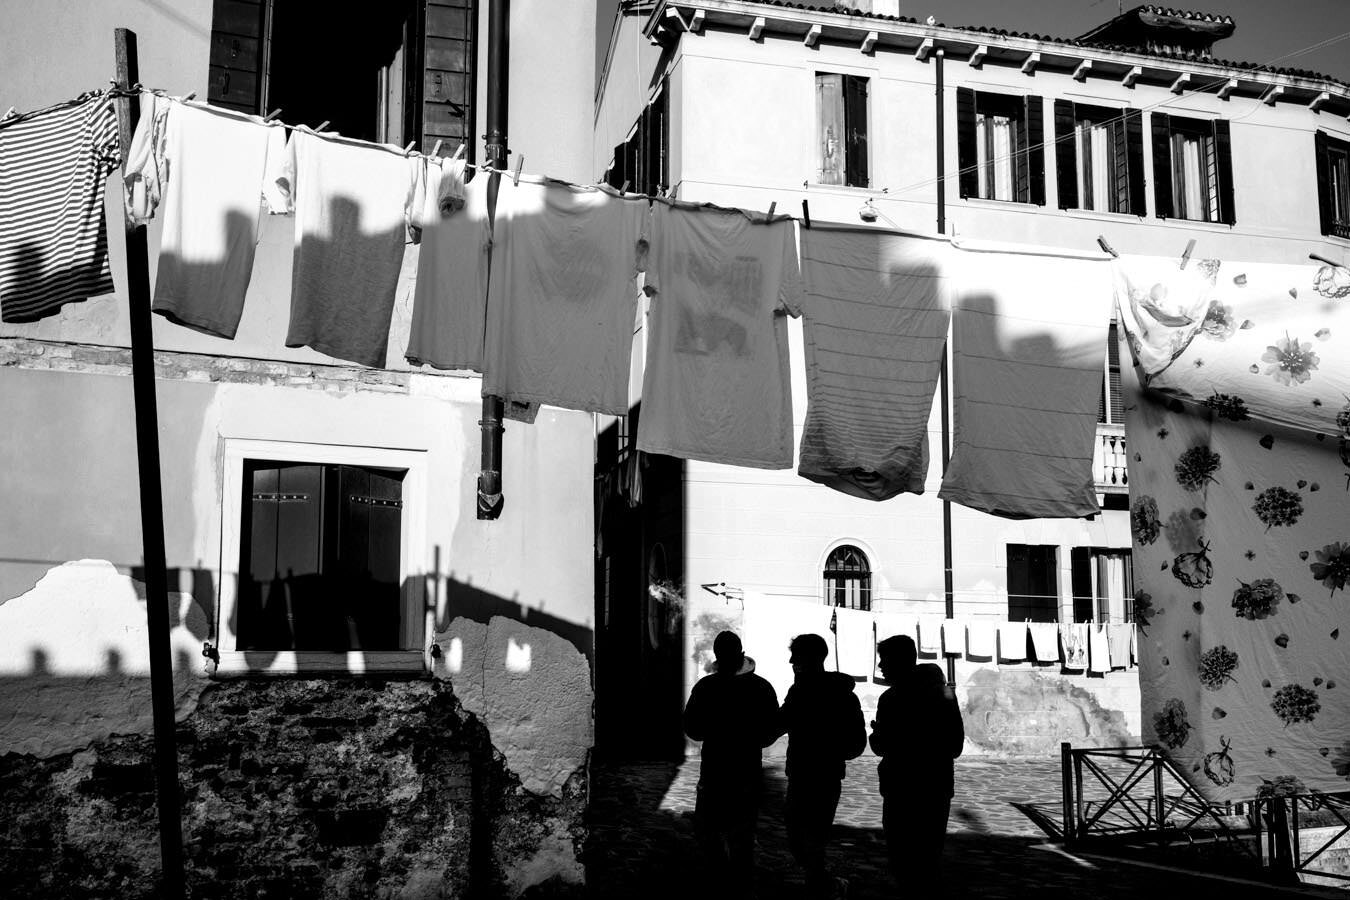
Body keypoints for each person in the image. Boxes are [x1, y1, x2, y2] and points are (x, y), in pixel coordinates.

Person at [683, 630, 780, 898]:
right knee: (742, 833)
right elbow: (770, 733)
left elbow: (693, 729)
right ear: (741, 653)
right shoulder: (761, 687)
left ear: (718, 655)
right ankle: (739, 885)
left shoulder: (706, 687)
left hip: (715, 770)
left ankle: (718, 882)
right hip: (747, 770)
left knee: (708, 830)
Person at [870, 635, 965, 897]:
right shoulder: (944, 695)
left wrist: (881, 736)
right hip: (936, 787)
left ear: (900, 661)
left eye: (884, 660)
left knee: (903, 861)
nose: (880, 666)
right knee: (927, 861)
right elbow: (955, 746)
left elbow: (881, 746)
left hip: (901, 789)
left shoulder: (890, 699)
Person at [775, 632, 867, 900]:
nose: (792, 661)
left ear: (811, 658)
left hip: (820, 774)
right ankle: (822, 882)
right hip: (808, 773)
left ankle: (819, 886)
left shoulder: (828, 694)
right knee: (801, 835)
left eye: (797, 655)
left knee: (809, 836)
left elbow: (855, 743)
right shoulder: (805, 691)